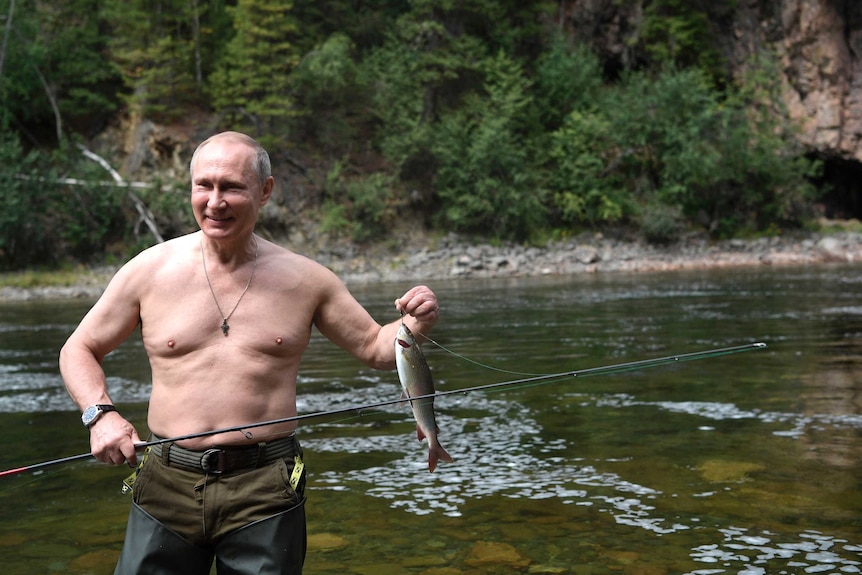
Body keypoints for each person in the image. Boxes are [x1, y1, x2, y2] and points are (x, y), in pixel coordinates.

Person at [59, 131, 439, 574]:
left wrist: (413, 323)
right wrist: (99, 415)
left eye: (232, 187)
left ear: (265, 191)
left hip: (267, 484)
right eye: (205, 185)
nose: (215, 201)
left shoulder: (307, 280)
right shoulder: (149, 271)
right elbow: (79, 348)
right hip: (166, 480)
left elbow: (376, 346)